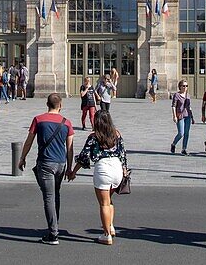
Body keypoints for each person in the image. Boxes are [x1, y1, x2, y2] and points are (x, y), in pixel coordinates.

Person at [18, 93, 75, 246]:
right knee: (55, 194)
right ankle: (54, 225)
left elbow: (29, 142)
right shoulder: (67, 123)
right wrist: (69, 168)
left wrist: (22, 158)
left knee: (49, 197)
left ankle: (53, 233)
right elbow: (70, 149)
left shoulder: (39, 120)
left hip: (45, 163)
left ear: (46, 104)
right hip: (61, 164)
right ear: (60, 105)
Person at [71, 109, 127, 245]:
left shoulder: (93, 136)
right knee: (109, 200)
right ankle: (111, 226)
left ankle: (106, 235)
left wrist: (73, 172)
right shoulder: (117, 134)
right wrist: (124, 170)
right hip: (117, 169)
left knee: (104, 203)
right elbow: (123, 155)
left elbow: (84, 157)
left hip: (103, 169)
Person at [170, 79, 193, 155]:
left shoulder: (188, 95)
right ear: (180, 86)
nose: (185, 87)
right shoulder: (176, 95)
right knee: (181, 133)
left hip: (188, 116)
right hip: (180, 115)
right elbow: (173, 106)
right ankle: (173, 144)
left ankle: (184, 149)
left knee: (187, 133)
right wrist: (174, 116)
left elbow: (189, 107)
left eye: (186, 86)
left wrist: (192, 117)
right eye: (183, 86)